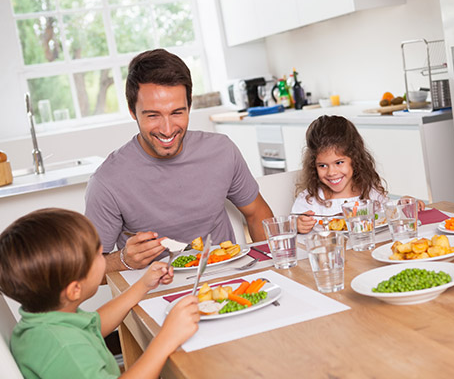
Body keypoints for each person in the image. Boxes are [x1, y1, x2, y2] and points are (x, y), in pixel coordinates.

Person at [85, 49, 273, 273]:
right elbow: (89, 272)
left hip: (226, 280)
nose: (167, 129)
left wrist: (273, 267)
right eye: (153, 115)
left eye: (177, 112)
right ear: (132, 111)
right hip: (156, 294)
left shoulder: (221, 151)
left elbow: (257, 214)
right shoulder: (108, 181)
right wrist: (124, 260)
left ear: (189, 106)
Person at [0, 208, 200, 378]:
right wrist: (167, 338)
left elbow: (95, 324)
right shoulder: (65, 347)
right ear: (74, 290)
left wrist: (143, 285)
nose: (103, 255)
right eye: (97, 254)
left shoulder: (45, 321)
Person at [291, 115, 425, 234]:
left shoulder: (370, 191)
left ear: (355, 159)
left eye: (339, 163)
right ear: (313, 165)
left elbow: (388, 214)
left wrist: (402, 205)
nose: (331, 172)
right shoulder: (309, 200)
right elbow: (292, 231)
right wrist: (296, 225)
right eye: (322, 165)